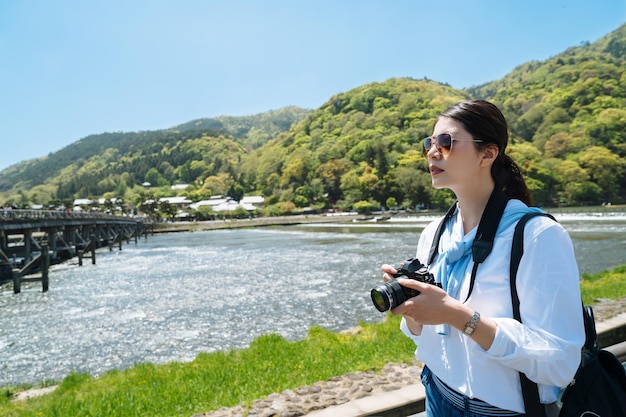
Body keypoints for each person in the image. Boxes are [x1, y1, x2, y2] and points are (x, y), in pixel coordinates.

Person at [381, 100, 585, 416]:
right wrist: (411, 308)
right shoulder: (434, 234)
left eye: (446, 143)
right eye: (429, 144)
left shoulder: (536, 236)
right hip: (437, 393)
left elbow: (559, 362)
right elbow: (423, 337)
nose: (433, 153)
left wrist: (457, 316)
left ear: (488, 154)